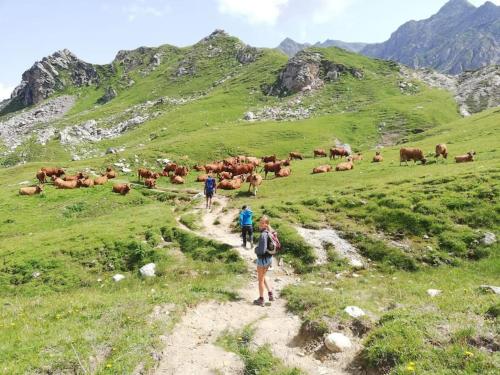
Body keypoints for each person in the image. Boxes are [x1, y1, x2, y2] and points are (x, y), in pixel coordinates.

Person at [253, 215, 274, 306]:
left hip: (262, 260)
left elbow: (261, 250)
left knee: (260, 279)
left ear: (266, 224)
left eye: (262, 222)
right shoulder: (270, 232)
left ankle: (261, 299)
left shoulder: (263, 235)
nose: (260, 224)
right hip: (269, 259)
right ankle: (270, 294)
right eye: (260, 222)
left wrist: (255, 250)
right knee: (263, 276)